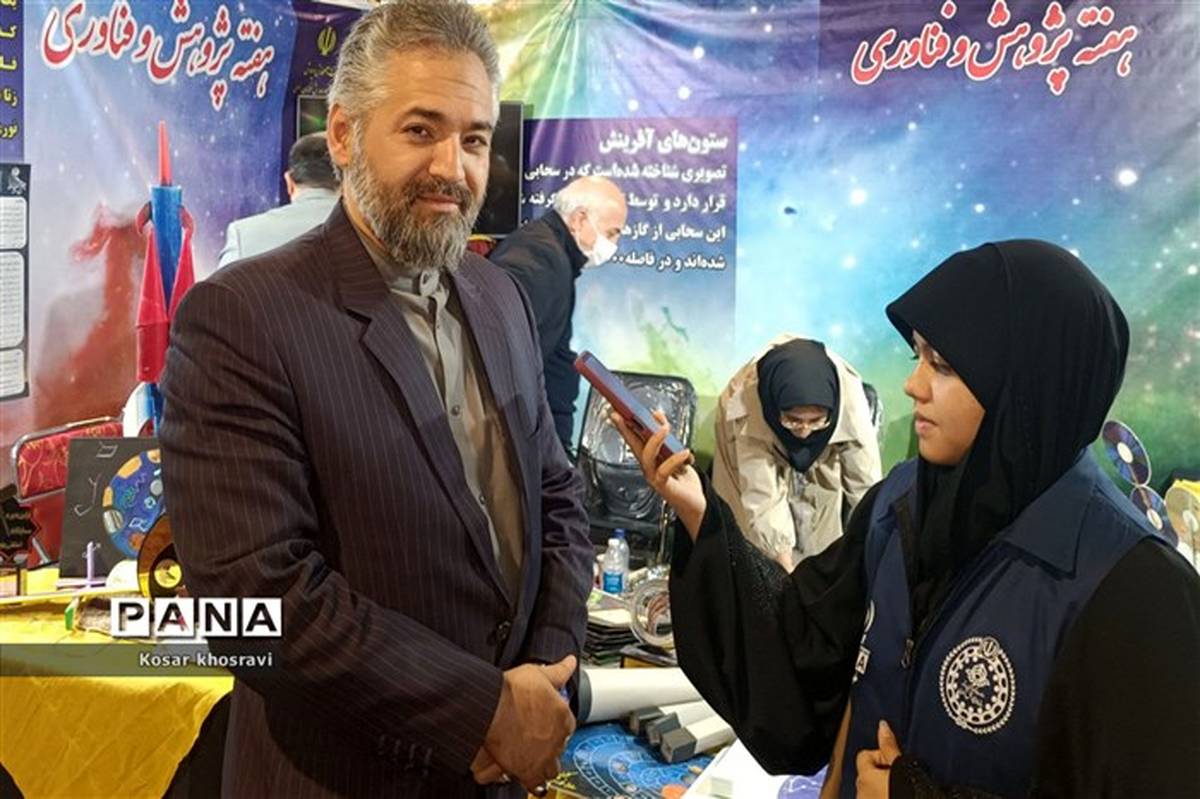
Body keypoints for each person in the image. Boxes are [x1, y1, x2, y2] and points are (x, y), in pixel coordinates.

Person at [159, 3, 593, 797]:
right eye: (421, 130)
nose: (453, 168)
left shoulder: (499, 297)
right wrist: (483, 710)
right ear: (343, 135)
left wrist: (545, 675)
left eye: (474, 139)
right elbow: (254, 601)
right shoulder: (241, 316)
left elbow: (556, 497)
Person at [614, 241, 1200, 797]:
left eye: (942, 365)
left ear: (1026, 385)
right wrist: (699, 510)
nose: (913, 385)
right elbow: (801, 649)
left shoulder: (1132, 589)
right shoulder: (903, 503)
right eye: (917, 355)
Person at [712, 335, 882, 571]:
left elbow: (866, 487)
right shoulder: (749, 404)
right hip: (755, 422)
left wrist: (874, 556)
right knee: (748, 536)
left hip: (826, 429)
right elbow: (762, 497)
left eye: (815, 420)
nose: (804, 432)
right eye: (794, 420)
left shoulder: (851, 405)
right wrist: (784, 569)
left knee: (824, 510)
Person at [488, 176, 628, 454]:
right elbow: (502, 360)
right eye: (612, 233)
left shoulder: (549, 252)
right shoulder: (540, 260)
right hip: (515, 439)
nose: (615, 244)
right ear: (579, 219)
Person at [216, 131, 340, 267]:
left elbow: (220, 281)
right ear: (344, 182)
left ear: (289, 183)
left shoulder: (243, 234)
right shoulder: (355, 229)